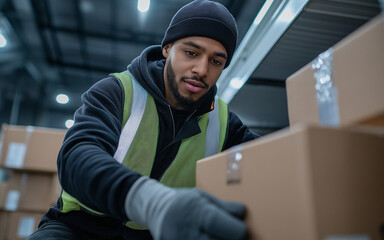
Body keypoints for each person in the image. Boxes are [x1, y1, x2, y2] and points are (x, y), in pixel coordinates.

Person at [28, 0, 259, 239]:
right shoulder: (118, 91)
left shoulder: (222, 122)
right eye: (191, 53)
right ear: (167, 49)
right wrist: (154, 203)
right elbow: (76, 157)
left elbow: (272, 157)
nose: (201, 69)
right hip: (80, 227)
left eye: (216, 61)